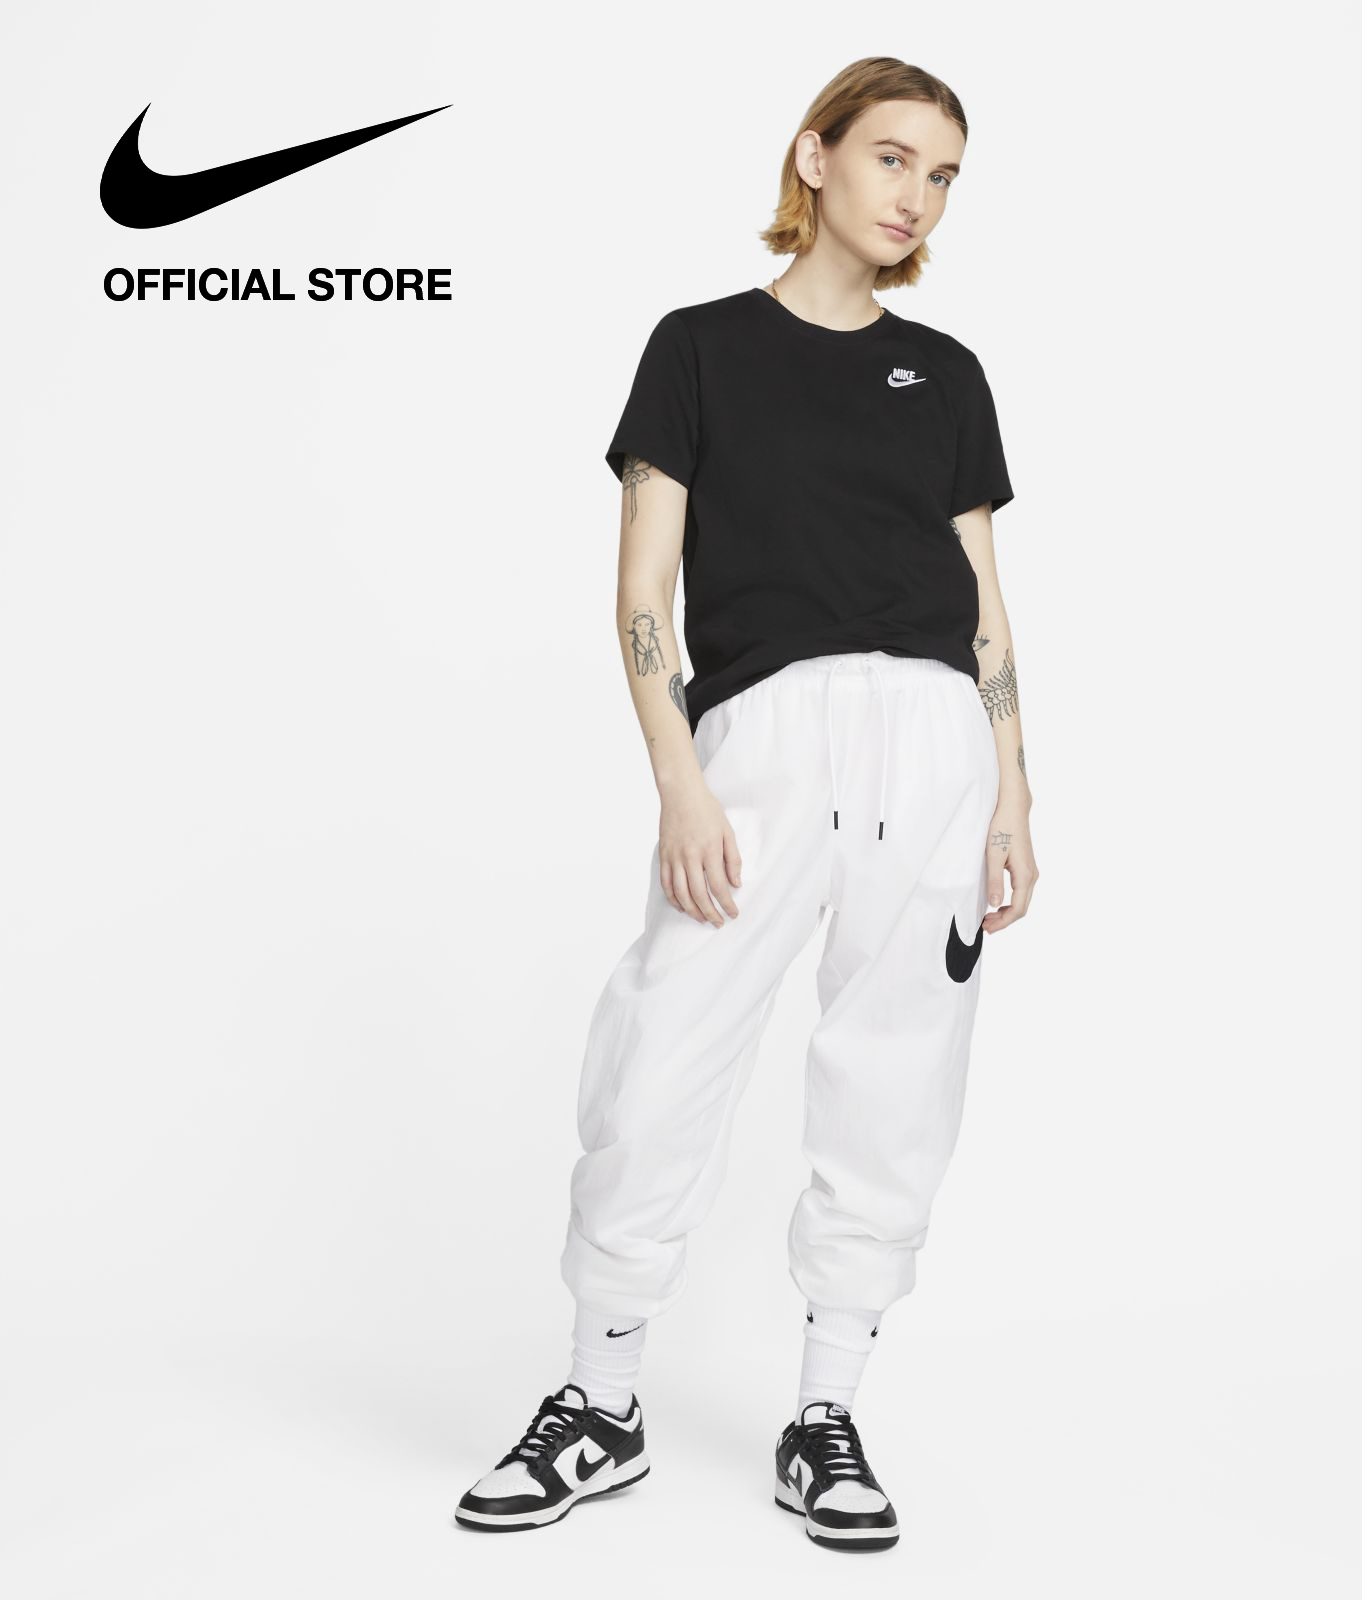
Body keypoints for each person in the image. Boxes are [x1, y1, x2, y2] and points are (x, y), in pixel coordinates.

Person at [455, 55, 1039, 1551]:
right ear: (816, 155)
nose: (918, 196)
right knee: (660, 1054)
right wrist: (680, 781)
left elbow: (984, 609)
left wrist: (1014, 793)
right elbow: (641, 593)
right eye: (894, 157)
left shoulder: (948, 374)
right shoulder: (700, 347)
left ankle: (826, 1412)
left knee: (896, 1078)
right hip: (759, 745)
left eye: (943, 175)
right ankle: (601, 1402)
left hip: (933, 749)